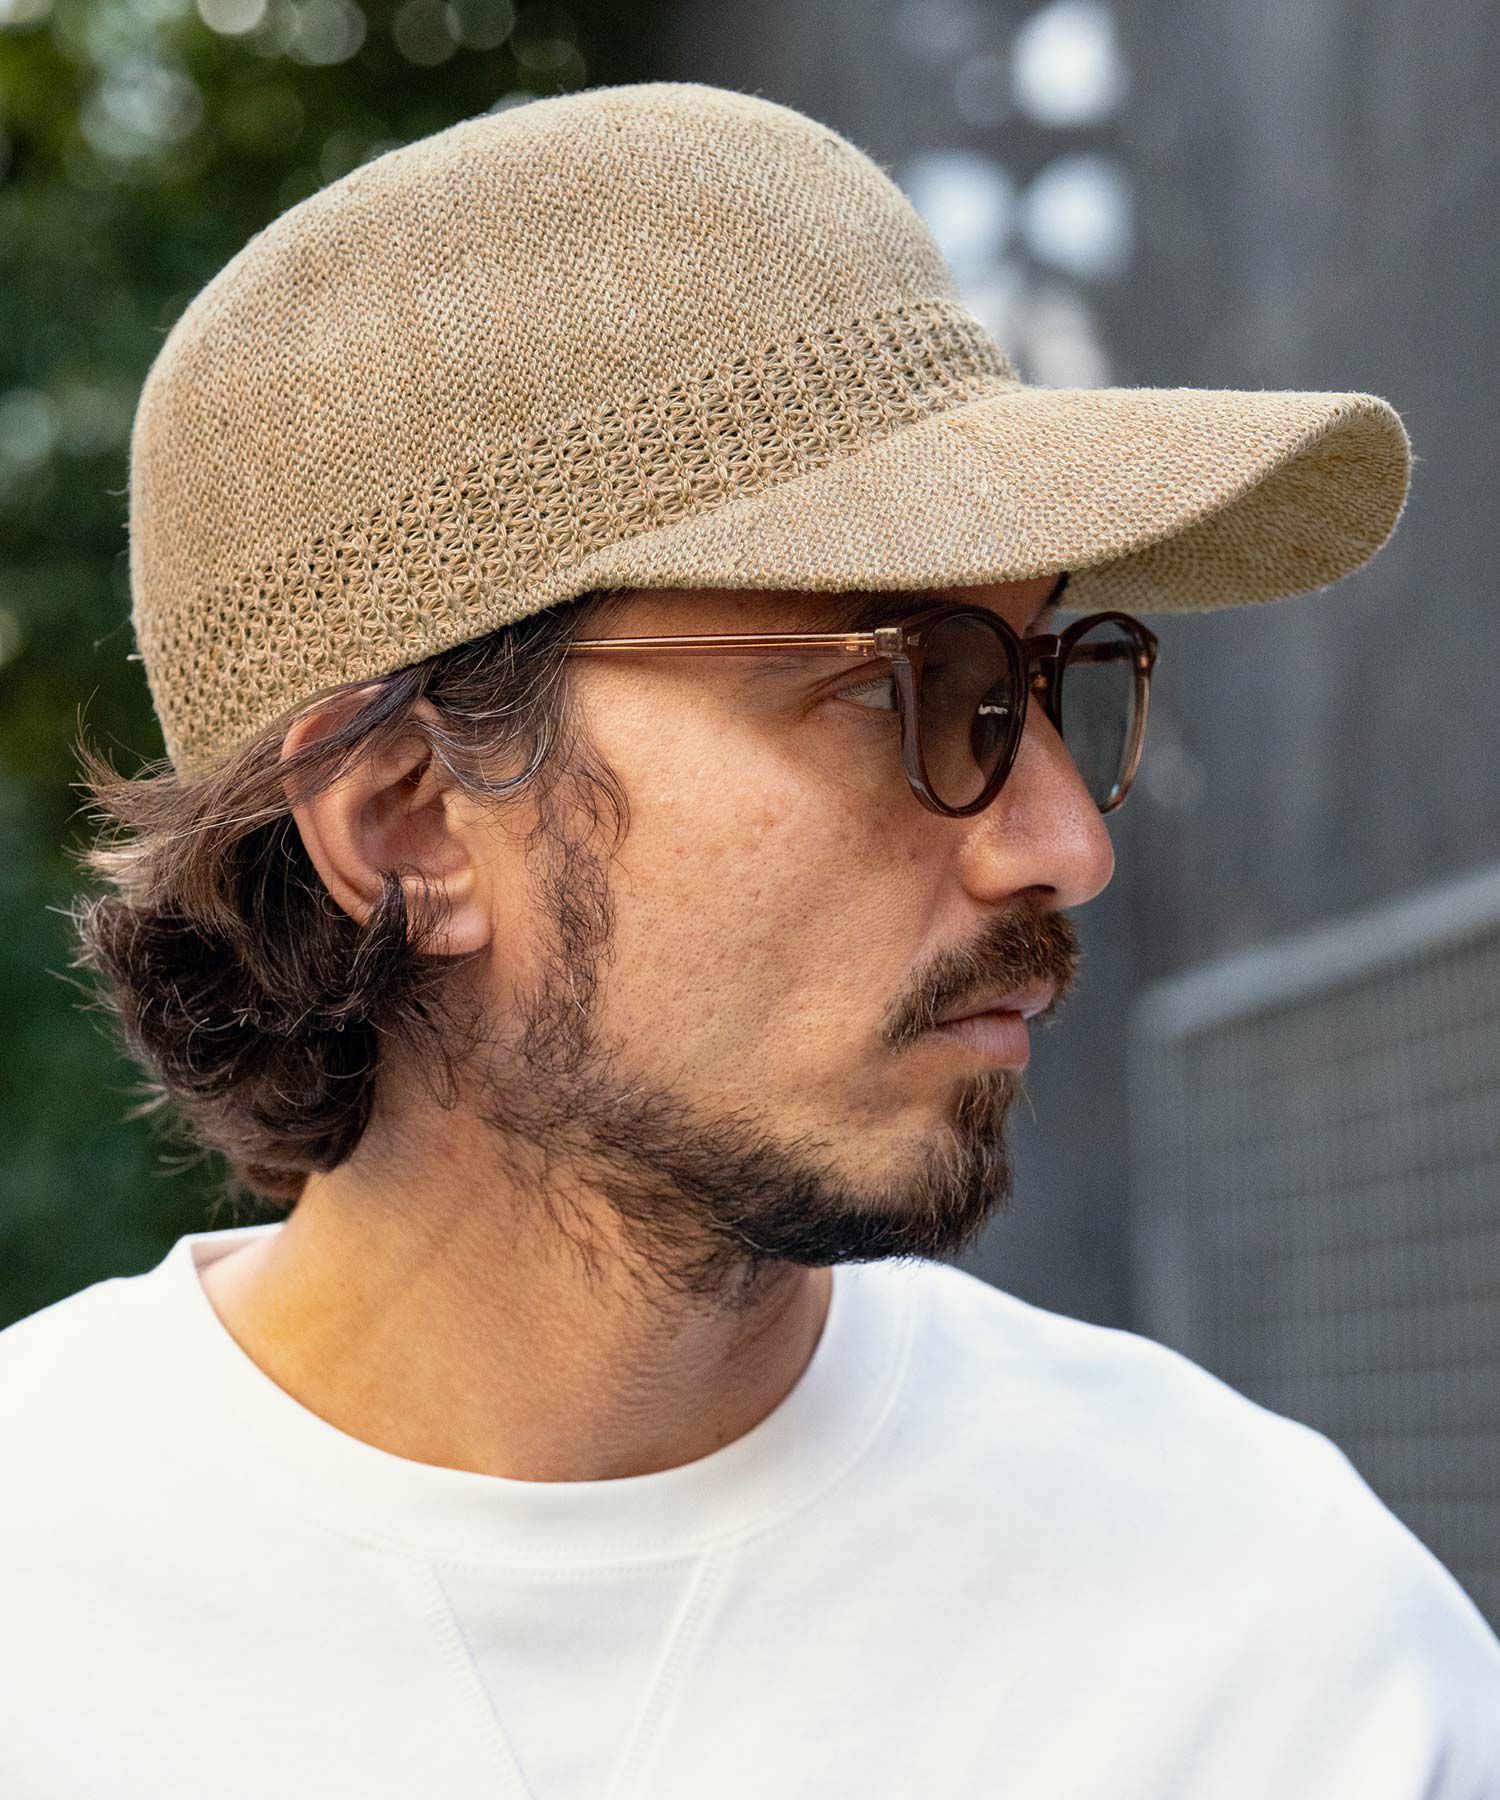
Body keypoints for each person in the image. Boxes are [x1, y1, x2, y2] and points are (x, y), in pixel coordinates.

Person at [3, 79, 1496, 1799]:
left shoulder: (1278, 1641)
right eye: (901, 687)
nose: (1066, 846)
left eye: (1040, 680)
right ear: (408, 821)